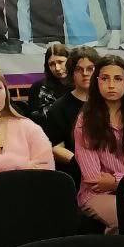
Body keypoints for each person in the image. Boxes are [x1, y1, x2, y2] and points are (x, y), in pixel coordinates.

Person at [74, 55, 124, 229]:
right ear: (97, 81)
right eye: (105, 78)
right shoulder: (85, 121)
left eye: (118, 78)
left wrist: (116, 180)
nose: (111, 85)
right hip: (97, 195)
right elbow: (93, 179)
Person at [44, 45, 98, 175]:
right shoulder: (58, 108)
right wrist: (84, 163)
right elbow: (55, 147)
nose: (85, 73)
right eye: (79, 69)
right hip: (76, 170)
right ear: (71, 72)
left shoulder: (108, 102)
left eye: (90, 69)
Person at [27, 42, 69, 119]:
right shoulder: (37, 87)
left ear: (70, 61)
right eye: (52, 64)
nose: (57, 68)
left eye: (60, 62)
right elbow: (33, 117)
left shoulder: (79, 86)